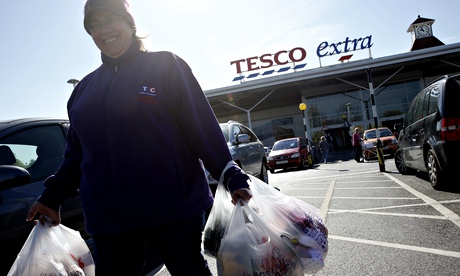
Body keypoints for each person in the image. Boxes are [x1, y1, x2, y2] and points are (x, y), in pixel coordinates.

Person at [26, 0, 252, 275]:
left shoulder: (166, 66)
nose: (103, 30)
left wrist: (230, 174)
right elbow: (76, 157)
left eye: (110, 19)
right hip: (110, 220)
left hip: (173, 210)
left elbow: (200, 127)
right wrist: (51, 197)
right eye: (94, 26)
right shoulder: (83, 92)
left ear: (129, 23)